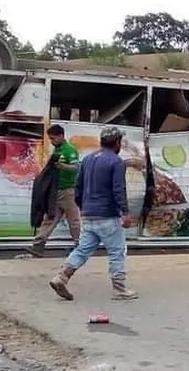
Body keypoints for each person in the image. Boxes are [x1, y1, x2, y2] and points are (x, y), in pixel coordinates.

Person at [48, 125, 138, 301]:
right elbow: (119, 189)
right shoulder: (116, 161)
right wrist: (125, 213)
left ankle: (61, 277)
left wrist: (83, 208)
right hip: (108, 216)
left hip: (89, 215)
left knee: (82, 250)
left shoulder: (88, 159)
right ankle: (119, 288)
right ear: (117, 142)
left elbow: (78, 188)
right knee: (117, 251)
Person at [31, 124, 82, 257]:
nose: (52, 141)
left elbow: (76, 168)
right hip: (56, 191)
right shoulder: (57, 150)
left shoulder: (69, 150)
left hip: (68, 190)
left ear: (61, 136)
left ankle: (80, 246)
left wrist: (62, 166)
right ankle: (38, 244)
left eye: (53, 138)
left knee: (73, 220)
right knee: (50, 217)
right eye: (50, 139)